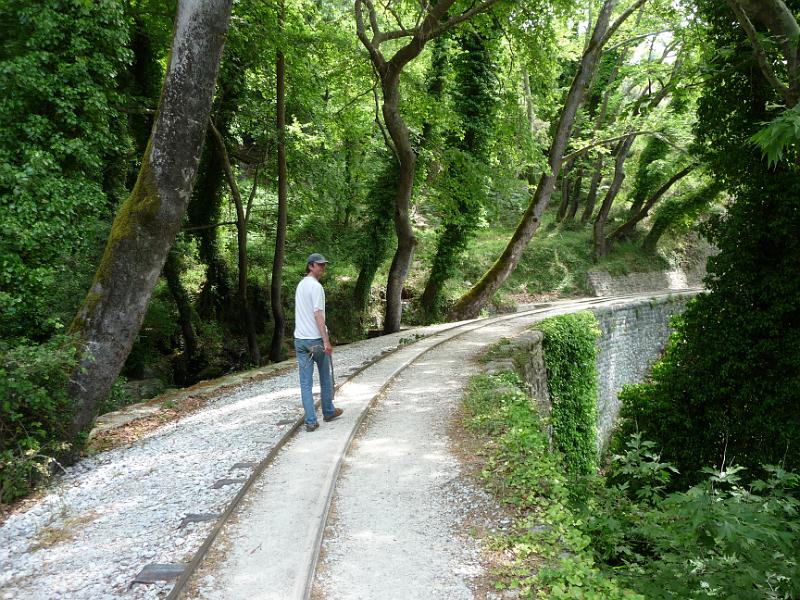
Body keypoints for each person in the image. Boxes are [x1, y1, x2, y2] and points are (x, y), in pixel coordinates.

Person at [294, 253, 343, 432]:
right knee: (325, 377)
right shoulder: (316, 287)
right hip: (315, 340)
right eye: (319, 265)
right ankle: (328, 411)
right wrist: (326, 341)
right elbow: (317, 315)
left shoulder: (300, 285)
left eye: (324, 265)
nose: (323, 268)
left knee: (305, 383)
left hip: (300, 340)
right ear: (310, 266)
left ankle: (310, 421)